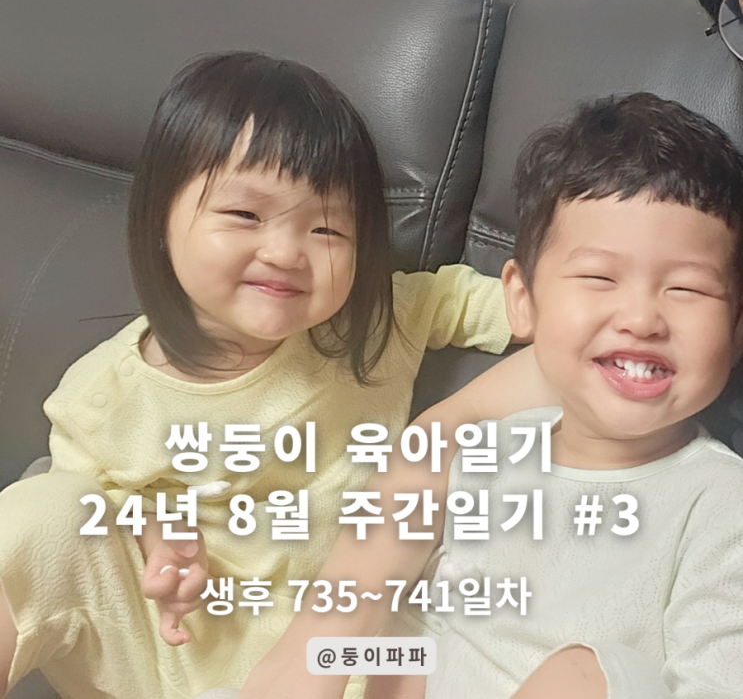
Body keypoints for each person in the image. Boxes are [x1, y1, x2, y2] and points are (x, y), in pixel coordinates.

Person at [0, 51, 554, 699]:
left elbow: (493, 303)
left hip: (336, 660)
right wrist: (155, 535)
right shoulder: (102, 396)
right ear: (160, 219)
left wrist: (589, 305)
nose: (286, 251)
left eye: (326, 228)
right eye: (245, 215)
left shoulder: (381, 320)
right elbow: (90, 515)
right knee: (42, 510)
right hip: (164, 658)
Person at [364, 93, 743, 699]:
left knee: (588, 672)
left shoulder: (722, 503)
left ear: (737, 328)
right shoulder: (485, 455)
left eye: (687, 289)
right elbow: (418, 631)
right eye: (599, 278)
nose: (641, 319)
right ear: (523, 300)